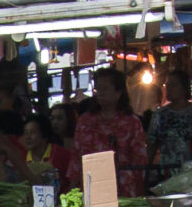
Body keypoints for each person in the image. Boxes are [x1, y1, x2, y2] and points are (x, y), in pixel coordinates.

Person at [71, 66, 149, 197]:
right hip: (91, 185)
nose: (99, 93)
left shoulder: (131, 122)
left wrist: (140, 193)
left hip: (123, 187)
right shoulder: (85, 121)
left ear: (118, 93)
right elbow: (75, 157)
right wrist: (73, 190)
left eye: (104, 89)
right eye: (97, 89)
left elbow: (139, 160)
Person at [14, 113, 80, 194]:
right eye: (26, 133)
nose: (28, 137)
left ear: (44, 135)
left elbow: (75, 179)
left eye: (32, 132)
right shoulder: (21, 158)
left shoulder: (61, 154)